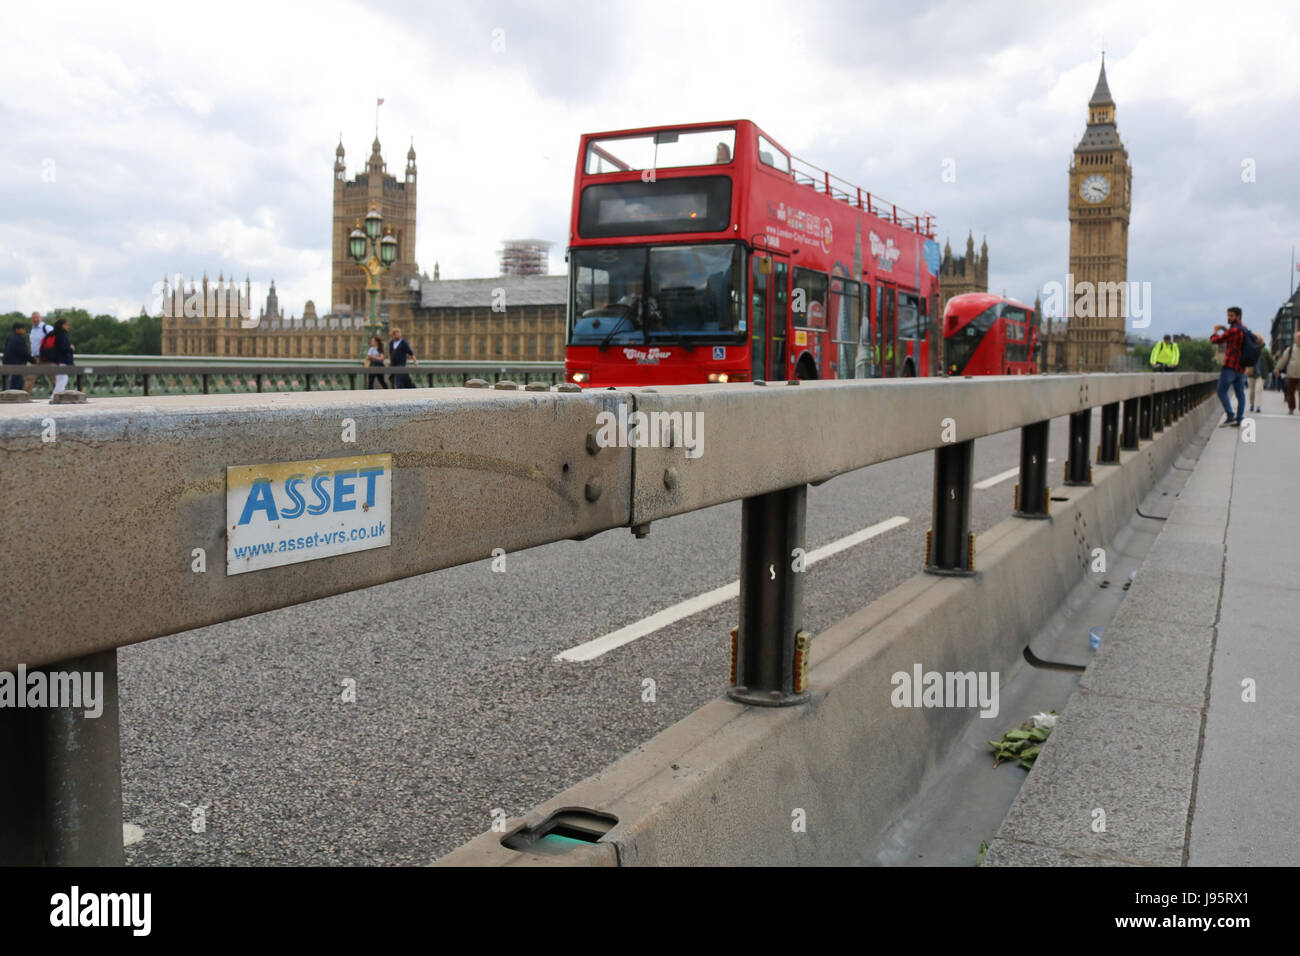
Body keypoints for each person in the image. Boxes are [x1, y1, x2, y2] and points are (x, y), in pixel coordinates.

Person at [1209, 306, 1259, 426]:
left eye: (1231, 316)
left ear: (1238, 316)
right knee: (1240, 394)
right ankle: (1240, 418)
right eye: (1228, 315)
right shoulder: (1243, 329)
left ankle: (1231, 415)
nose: (1229, 318)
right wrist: (1226, 329)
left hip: (1230, 366)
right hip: (1241, 367)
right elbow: (1233, 337)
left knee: (1221, 391)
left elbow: (1216, 340)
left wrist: (1215, 331)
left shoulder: (1234, 331)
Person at [42, 317, 75, 393]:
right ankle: (55, 397)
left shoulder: (52, 333)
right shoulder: (62, 334)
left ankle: (55, 396)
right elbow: (64, 348)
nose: (68, 327)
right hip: (61, 361)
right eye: (67, 325)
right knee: (63, 379)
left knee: (60, 379)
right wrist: (71, 348)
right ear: (63, 325)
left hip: (53, 360)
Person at [1275, 332, 1300, 415]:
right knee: (1290, 393)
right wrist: (1277, 369)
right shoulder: (1290, 349)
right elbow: (1283, 360)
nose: (1299, 339)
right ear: (1295, 339)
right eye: (1298, 337)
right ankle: (1291, 408)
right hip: (1291, 374)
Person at [27, 312, 52, 393]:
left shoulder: (46, 328)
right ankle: (25, 396)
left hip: (46, 358)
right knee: (29, 378)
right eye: (33, 318)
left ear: (40, 318)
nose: (35, 319)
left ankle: (62, 394)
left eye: (37, 317)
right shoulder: (32, 330)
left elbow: (57, 337)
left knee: (54, 377)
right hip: (35, 358)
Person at [3, 321, 31, 390]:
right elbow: (23, 353)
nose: (24, 330)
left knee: (11, 383)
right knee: (16, 385)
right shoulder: (19, 339)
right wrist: (33, 360)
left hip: (7, 364)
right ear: (17, 330)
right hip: (17, 365)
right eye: (23, 328)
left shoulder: (10, 337)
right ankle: (13, 399)